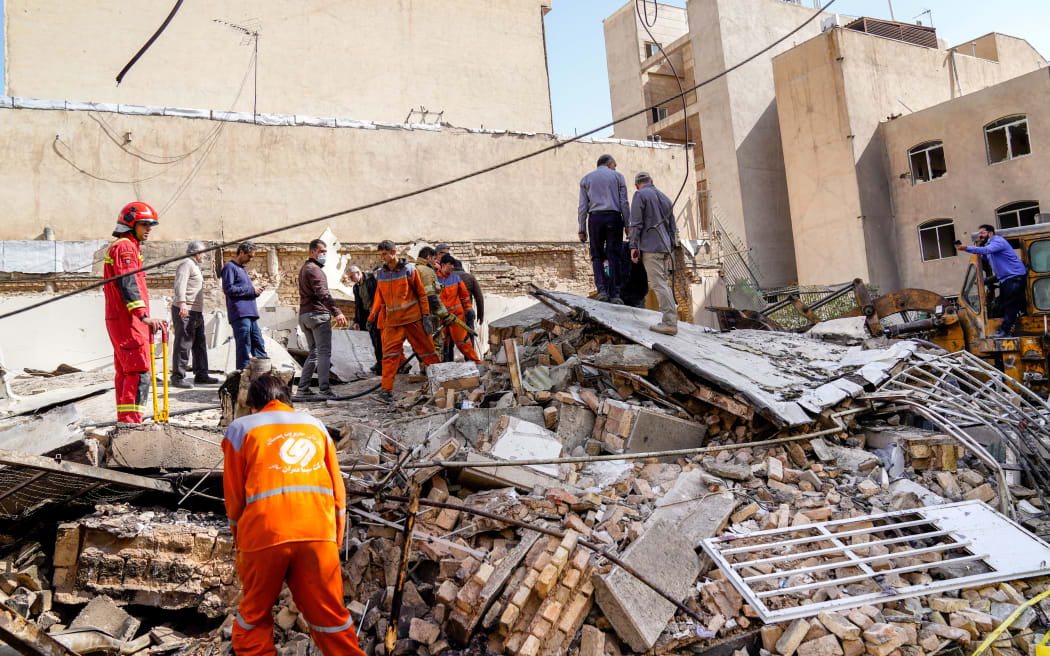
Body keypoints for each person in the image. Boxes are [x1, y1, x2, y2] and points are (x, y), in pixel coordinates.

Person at [221, 375, 366, 656]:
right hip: (318, 535)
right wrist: (333, 541)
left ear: (254, 405)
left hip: (263, 535)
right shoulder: (315, 426)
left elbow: (234, 499)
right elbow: (338, 491)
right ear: (288, 401)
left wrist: (241, 542)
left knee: (253, 619)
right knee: (331, 619)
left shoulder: (240, 430)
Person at [104, 202, 166, 423]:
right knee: (139, 372)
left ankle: (125, 423)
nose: (148, 229)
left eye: (150, 224)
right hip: (128, 320)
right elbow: (127, 282)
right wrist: (143, 315)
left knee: (126, 372)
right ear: (131, 224)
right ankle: (132, 425)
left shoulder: (127, 247)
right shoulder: (125, 247)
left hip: (122, 319)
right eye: (144, 224)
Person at [367, 241, 441, 404]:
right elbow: (380, 297)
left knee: (428, 352)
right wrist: (372, 317)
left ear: (394, 252)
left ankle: (443, 384)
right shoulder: (381, 274)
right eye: (381, 255)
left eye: (385, 254)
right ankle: (386, 391)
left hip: (413, 320)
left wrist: (426, 316)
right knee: (389, 357)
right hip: (393, 323)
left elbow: (422, 294)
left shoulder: (409, 270)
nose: (383, 258)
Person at [296, 239, 348, 398]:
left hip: (305, 316)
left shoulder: (305, 269)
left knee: (314, 352)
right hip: (318, 315)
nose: (324, 254)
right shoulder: (315, 270)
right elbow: (323, 294)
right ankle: (325, 390)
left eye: (325, 252)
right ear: (312, 252)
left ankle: (302, 389)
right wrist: (336, 312)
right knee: (324, 353)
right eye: (321, 252)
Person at [629, 171, 679, 335]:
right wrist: (671, 248)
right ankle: (670, 320)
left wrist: (633, 246)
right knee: (664, 283)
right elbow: (673, 228)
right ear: (652, 181)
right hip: (665, 247)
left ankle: (669, 323)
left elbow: (636, 223)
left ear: (637, 185)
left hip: (651, 247)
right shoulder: (666, 198)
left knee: (659, 284)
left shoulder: (639, 195)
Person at [956, 224, 1028, 337]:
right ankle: (1006, 329)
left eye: (982, 233)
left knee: (1010, 305)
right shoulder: (990, 246)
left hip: (1014, 277)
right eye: (979, 233)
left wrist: (967, 248)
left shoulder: (998, 242)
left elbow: (986, 250)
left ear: (990, 233)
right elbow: (986, 256)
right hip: (1005, 279)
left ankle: (1005, 332)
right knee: (1003, 304)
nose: (980, 235)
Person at [578, 154, 630, 304]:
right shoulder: (618, 177)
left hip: (595, 219)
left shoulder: (586, 179)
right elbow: (624, 203)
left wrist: (582, 228)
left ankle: (602, 290)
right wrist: (628, 224)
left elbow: (582, 207)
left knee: (597, 255)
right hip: (614, 217)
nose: (615, 168)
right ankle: (615, 294)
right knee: (614, 256)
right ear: (609, 164)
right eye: (615, 165)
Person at [170, 241, 218, 389]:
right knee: (183, 343)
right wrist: (182, 303)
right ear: (196, 252)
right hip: (186, 309)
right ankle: (178, 377)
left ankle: (201, 375)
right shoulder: (186, 263)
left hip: (196, 311)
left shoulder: (195, 265)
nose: (205, 255)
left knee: (199, 344)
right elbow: (180, 284)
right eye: (203, 252)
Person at [222, 242, 268, 371]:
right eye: (249, 256)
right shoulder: (230, 267)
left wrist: (256, 291)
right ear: (241, 252)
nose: (251, 259)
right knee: (244, 345)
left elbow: (245, 290)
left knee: (258, 343)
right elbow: (228, 288)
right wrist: (251, 290)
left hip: (250, 313)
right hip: (240, 313)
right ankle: (242, 376)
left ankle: (263, 375)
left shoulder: (242, 269)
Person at [436, 244, 484, 353]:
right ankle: (470, 361)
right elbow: (479, 297)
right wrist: (480, 315)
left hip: (450, 313)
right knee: (469, 336)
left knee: (450, 339)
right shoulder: (470, 277)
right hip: (467, 312)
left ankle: (449, 361)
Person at [347, 265, 382, 375]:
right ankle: (379, 362)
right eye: (349, 278)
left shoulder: (372, 280)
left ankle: (382, 364)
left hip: (378, 313)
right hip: (367, 316)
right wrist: (357, 321)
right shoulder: (356, 287)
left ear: (358, 272)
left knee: (379, 339)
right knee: (373, 339)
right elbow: (358, 304)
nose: (351, 280)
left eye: (352, 277)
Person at [414, 246, 449, 356]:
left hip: (415, 315)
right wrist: (445, 315)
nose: (435, 262)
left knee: (421, 344)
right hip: (430, 315)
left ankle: (423, 368)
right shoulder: (427, 272)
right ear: (428, 257)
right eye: (434, 259)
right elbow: (432, 297)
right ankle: (434, 367)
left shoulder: (414, 269)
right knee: (435, 343)